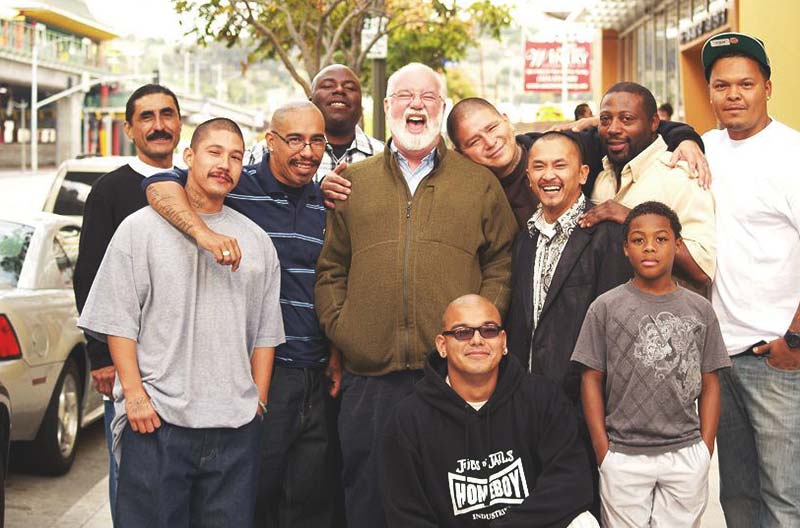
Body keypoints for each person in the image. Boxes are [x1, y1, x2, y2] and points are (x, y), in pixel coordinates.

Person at [315, 62, 517, 528]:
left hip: (452, 377)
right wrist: (347, 331)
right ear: (386, 108)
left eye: (428, 97)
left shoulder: (478, 182)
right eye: (405, 96)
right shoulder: (353, 182)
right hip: (370, 380)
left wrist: (478, 332)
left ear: (440, 108)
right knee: (367, 499)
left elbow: (502, 261)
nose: (416, 105)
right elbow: (331, 269)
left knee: (454, 504)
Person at [78, 118, 285, 527]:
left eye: (236, 157)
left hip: (234, 429)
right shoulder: (139, 230)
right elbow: (119, 319)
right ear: (188, 156)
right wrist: (133, 395)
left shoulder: (258, 241)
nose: (225, 163)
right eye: (214, 152)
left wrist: (257, 402)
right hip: (158, 423)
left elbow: (265, 333)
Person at [143, 101, 339, 527]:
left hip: (316, 372)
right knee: (247, 504)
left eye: (316, 141)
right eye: (294, 140)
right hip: (258, 372)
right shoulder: (234, 185)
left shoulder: (327, 201)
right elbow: (160, 186)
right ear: (269, 142)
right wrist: (204, 233)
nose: (307, 151)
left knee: (308, 503)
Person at [572, 201, 731, 527]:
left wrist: (705, 448)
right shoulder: (605, 307)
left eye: (660, 239)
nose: (649, 247)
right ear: (625, 249)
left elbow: (711, 380)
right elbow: (590, 379)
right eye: (638, 239)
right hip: (623, 454)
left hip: (685, 452)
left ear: (677, 245)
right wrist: (604, 451)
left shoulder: (699, 310)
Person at [323, 96, 708, 229]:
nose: (491, 143)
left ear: (506, 120)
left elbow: (631, 127)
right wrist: (331, 186)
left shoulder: (561, 147)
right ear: (460, 152)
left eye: (493, 128)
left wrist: (685, 138)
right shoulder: (465, 184)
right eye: (475, 141)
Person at [381, 294, 598, 528]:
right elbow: (406, 514)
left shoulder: (543, 398)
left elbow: (571, 483)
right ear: (442, 346)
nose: (477, 340)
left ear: (503, 342)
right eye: (462, 332)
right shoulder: (408, 419)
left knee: (583, 523)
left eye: (489, 330)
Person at [701, 31, 800, 528]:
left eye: (746, 83)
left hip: (775, 357)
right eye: (722, 85)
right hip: (719, 356)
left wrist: (796, 340)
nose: (733, 94)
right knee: (736, 495)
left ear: (767, 86)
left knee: (785, 498)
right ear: (710, 91)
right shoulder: (702, 148)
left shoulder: (792, 154)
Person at [72, 83, 182, 523]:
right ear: (130, 129)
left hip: (180, 361)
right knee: (130, 474)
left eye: (167, 114)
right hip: (126, 362)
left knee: (176, 476)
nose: (159, 125)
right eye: (147, 117)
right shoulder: (110, 190)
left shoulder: (196, 183)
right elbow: (89, 275)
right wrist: (100, 356)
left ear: (179, 121)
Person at [580, 82, 716, 293]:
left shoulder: (679, 176)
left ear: (654, 123)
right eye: (605, 120)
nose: (614, 128)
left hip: (667, 320)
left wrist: (630, 217)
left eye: (627, 119)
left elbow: (702, 270)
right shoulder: (602, 177)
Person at [245, 64, 383, 183]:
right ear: (310, 102)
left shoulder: (384, 157)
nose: (339, 90)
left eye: (350, 88)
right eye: (328, 86)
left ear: (361, 104)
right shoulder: (266, 151)